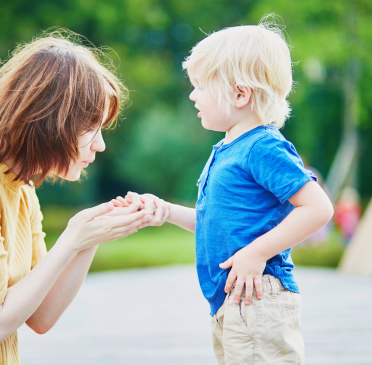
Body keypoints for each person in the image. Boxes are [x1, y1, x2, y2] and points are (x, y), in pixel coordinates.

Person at [114, 18, 334, 365]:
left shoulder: (261, 147)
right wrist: (167, 211)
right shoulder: (228, 149)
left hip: (257, 298)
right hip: (232, 302)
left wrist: (257, 253)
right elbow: (216, 222)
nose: (192, 95)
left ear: (240, 94)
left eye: (200, 86)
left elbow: (318, 208)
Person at [0, 32, 155, 365]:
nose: (100, 145)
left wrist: (90, 237)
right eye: (91, 128)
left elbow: (41, 317)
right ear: (51, 118)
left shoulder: (21, 188)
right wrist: (70, 240)